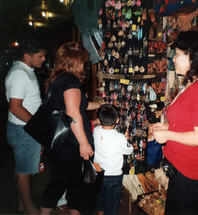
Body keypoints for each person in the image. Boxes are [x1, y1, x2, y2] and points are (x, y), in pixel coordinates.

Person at [151, 31, 198, 215]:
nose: (174, 59)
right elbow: (189, 125)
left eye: (178, 53)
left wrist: (168, 134)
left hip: (190, 173)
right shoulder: (192, 85)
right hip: (179, 169)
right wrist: (168, 127)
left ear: (193, 57)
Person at [39, 42, 103, 215]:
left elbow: (78, 105)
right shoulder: (71, 81)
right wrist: (84, 143)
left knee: (59, 183)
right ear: (76, 61)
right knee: (71, 184)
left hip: (59, 144)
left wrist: (100, 104)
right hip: (71, 144)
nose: (84, 65)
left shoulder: (58, 79)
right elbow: (74, 113)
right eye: (83, 61)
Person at [5, 39, 46, 214]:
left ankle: (23, 203)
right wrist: (37, 126)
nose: (43, 59)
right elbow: (15, 107)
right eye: (40, 55)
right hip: (24, 130)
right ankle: (30, 208)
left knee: (21, 167)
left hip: (22, 129)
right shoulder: (20, 74)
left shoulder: (24, 70)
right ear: (26, 55)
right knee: (24, 170)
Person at [93, 104, 133, 215]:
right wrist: (128, 141)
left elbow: (97, 127)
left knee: (100, 199)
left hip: (99, 174)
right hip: (114, 176)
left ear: (99, 120)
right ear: (118, 120)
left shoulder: (96, 131)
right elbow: (129, 151)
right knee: (113, 204)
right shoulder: (120, 137)